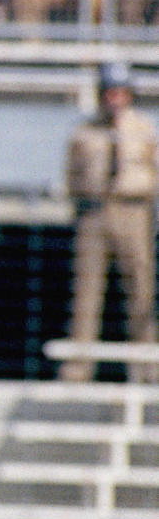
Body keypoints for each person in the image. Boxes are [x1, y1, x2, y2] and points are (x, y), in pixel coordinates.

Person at [60, 62, 159, 383]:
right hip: (95, 211)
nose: (114, 99)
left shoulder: (143, 129)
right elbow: (72, 175)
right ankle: (79, 367)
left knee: (140, 289)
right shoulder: (84, 132)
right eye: (108, 93)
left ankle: (148, 367)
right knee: (87, 291)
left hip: (133, 210)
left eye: (120, 92)